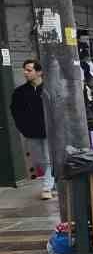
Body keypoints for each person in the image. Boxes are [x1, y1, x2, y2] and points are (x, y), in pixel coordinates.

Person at [9, 59, 52, 200]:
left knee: (48, 159)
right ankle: (54, 182)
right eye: (24, 70)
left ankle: (47, 188)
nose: (25, 73)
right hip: (31, 133)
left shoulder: (49, 89)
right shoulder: (20, 92)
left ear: (39, 72)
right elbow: (15, 111)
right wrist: (23, 128)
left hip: (49, 131)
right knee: (38, 161)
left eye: (29, 70)